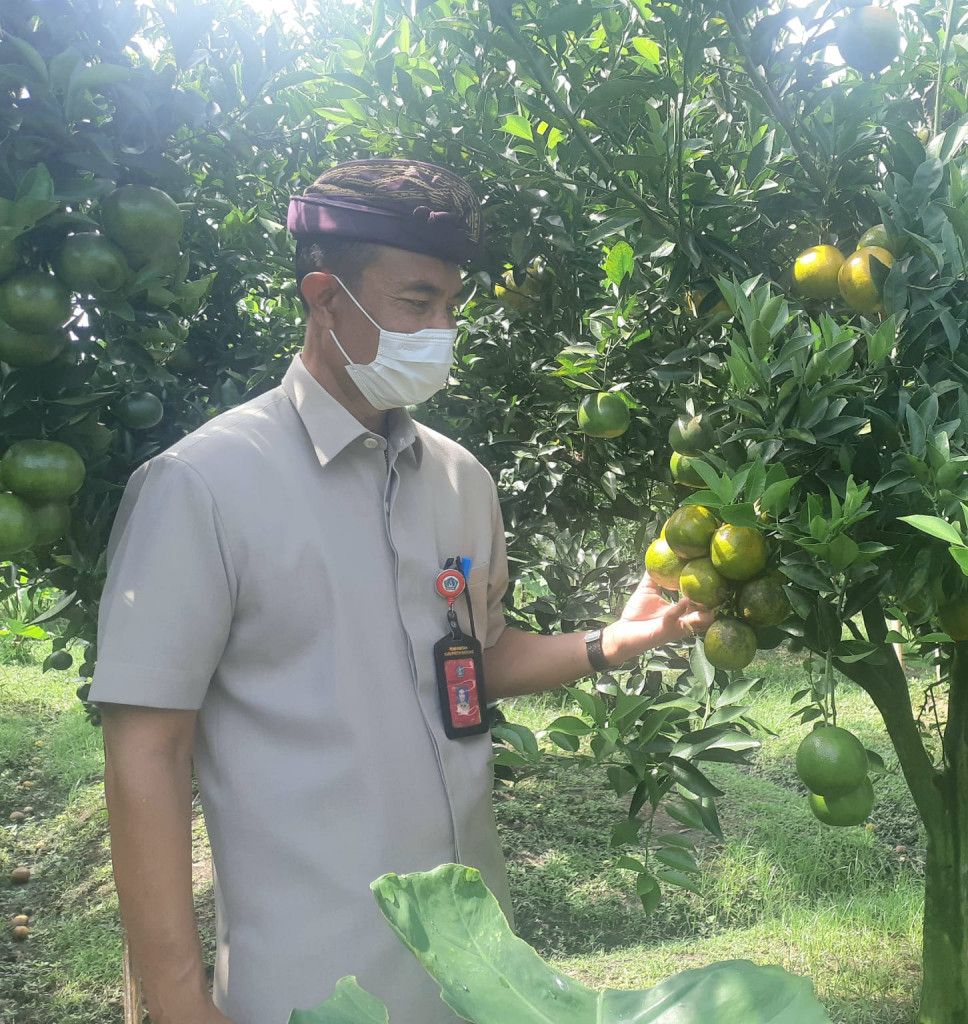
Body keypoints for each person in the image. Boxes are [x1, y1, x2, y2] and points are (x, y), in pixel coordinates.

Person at [89, 158, 711, 1024]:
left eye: (451, 306)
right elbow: (145, 752)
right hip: (310, 981)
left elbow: (471, 664)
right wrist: (178, 1002)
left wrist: (614, 639)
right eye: (418, 303)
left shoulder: (460, 482)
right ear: (325, 295)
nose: (442, 330)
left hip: (475, 969)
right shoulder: (202, 487)